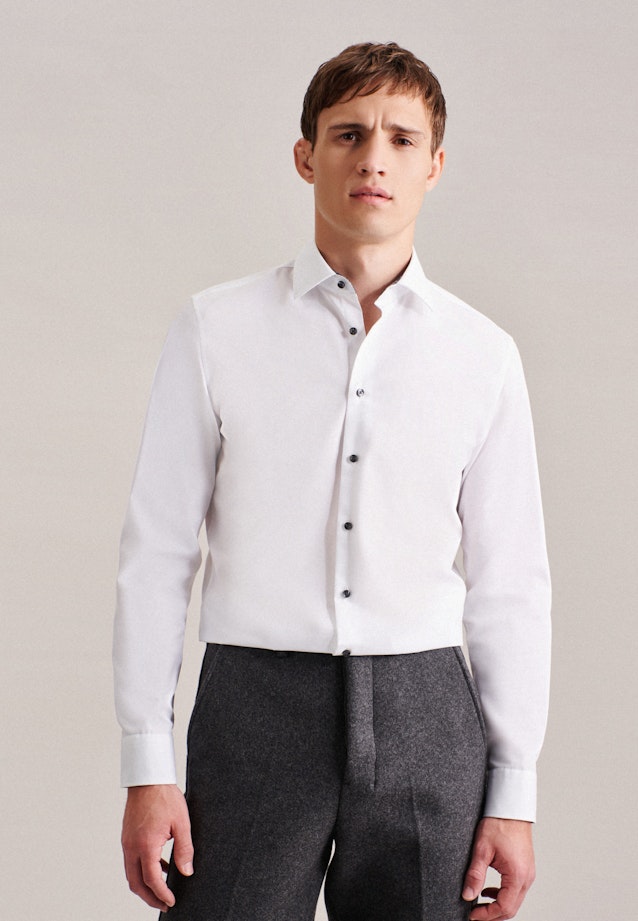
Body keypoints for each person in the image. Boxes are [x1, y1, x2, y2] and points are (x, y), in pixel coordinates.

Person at [114, 42, 551, 921]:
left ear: (434, 164)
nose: (373, 158)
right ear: (306, 155)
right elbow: (157, 552)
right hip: (254, 709)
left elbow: (511, 582)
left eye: (400, 138)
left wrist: (514, 789)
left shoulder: (482, 355)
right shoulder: (216, 328)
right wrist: (146, 763)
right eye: (349, 133)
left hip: (429, 716)